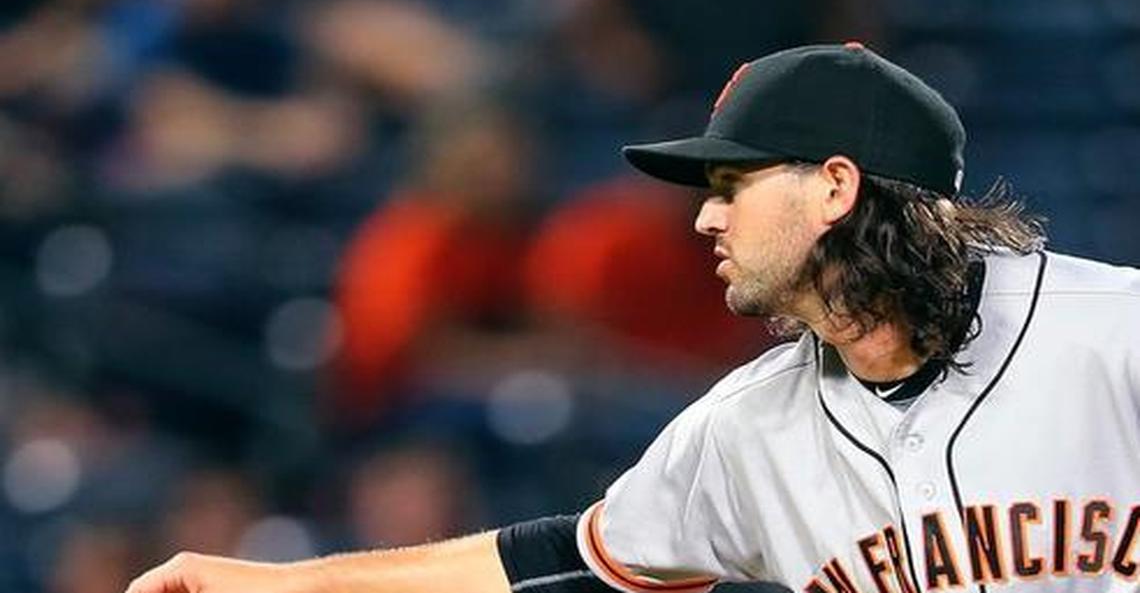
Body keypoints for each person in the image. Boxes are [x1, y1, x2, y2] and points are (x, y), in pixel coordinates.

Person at [125, 44, 1140, 593]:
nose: (703, 211)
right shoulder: (746, 428)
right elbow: (554, 557)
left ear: (835, 186)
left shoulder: (1113, 335)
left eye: (732, 181)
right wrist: (277, 586)